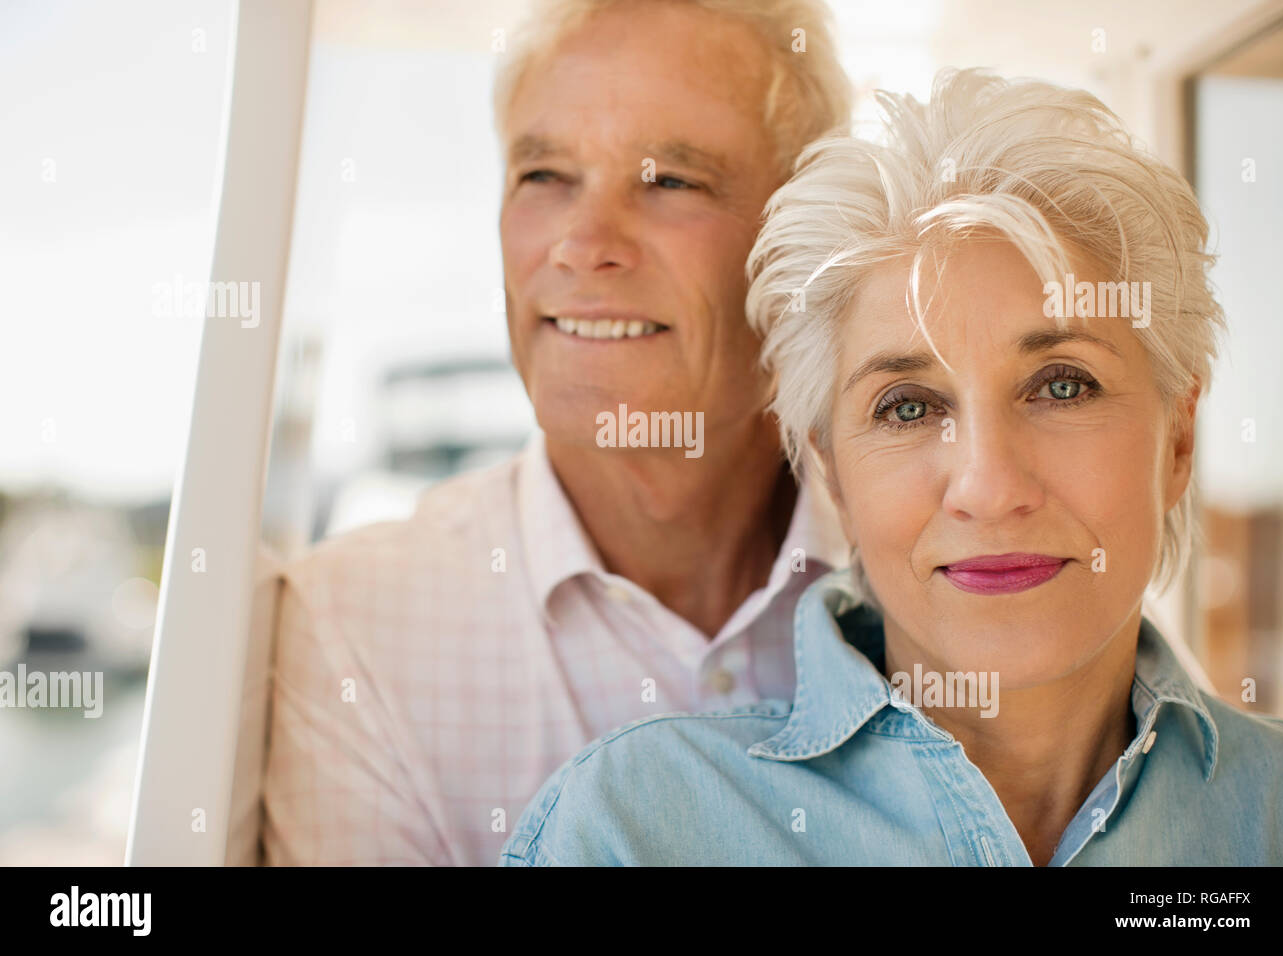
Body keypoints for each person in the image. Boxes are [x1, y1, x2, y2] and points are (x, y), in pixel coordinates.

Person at [499, 69, 1283, 866]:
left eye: (1062, 386)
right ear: (834, 473)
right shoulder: (632, 828)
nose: (987, 487)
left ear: (1179, 441)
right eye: (908, 407)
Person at [261, 0, 853, 866]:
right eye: (544, 176)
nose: (582, 245)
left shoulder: (938, 581)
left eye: (669, 181)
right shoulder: (352, 628)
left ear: (805, 243)